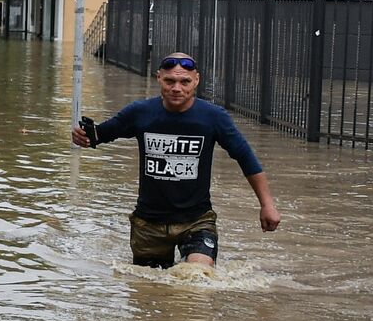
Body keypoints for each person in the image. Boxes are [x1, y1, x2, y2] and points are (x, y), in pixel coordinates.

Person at [71, 53, 282, 268]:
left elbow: (246, 158)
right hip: (149, 224)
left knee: (198, 276)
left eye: (184, 82)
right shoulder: (140, 113)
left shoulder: (213, 117)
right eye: (170, 81)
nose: (176, 88)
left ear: (196, 80)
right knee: (149, 291)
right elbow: (99, 135)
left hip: (197, 221)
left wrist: (267, 205)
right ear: (159, 78)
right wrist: (82, 136)